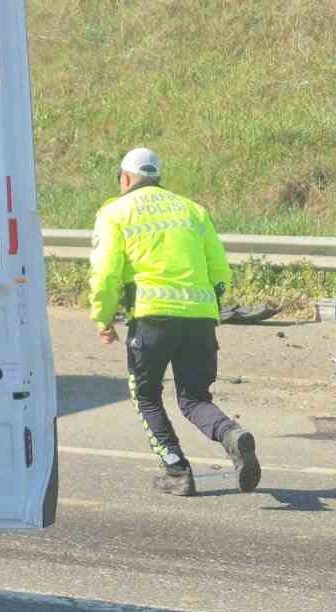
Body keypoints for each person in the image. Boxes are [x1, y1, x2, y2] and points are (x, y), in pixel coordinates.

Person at [89, 147, 261, 496]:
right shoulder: (193, 210)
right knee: (195, 398)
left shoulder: (116, 211)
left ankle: (177, 471)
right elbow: (219, 271)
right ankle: (230, 433)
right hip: (199, 318)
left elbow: (105, 272)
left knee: (146, 396)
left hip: (152, 319)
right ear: (157, 178)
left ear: (124, 178)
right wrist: (208, 305)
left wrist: (103, 317)